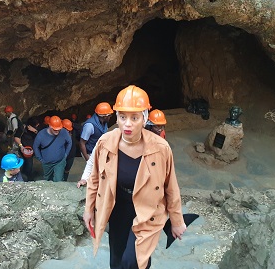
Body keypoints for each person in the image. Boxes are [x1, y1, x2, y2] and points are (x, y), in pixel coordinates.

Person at [83, 85, 186, 269]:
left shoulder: (160, 148)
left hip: (147, 209)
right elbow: (95, 179)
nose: (127, 124)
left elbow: (171, 186)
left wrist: (177, 221)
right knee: (116, 259)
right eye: (122, 117)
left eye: (134, 117)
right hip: (117, 206)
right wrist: (89, 209)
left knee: (134, 260)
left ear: (144, 118)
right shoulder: (106, 143)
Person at [33, 116, 72, 182]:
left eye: (58, 129)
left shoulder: (64, 132)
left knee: (58, 180)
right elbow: (35, 147)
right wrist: (40, 158)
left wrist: (65, 154)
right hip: (46, 163)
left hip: (59, 161)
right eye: (55, 129)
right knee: (47, 179)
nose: (57, 131)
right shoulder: (41, 135)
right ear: (50, 126)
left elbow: (69, 142)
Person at [14, 116, 40, 181]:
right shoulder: (22, 128)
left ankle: (24, 173)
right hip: (24, 149)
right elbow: (16, 137)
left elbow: (41, 137)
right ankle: (28, 178)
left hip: (32, 149)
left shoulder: (36, 129)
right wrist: (21, 146)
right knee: (29, 163)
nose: (37, 126)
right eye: (35, 125)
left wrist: (35, 131)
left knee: (27, 162)